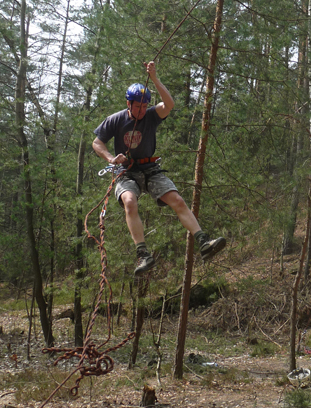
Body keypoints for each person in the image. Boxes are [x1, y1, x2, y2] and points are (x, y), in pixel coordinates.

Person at [92, 61, 226, 276]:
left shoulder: (152, 115)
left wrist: (154, 77)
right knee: (129, 201)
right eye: (138, 106)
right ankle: (143, 254)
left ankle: (203, 241)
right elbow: (97, 143)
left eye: (145, 106)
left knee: (178, 200)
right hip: (126, 171)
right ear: (129, 103)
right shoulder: (115, 120)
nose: (142, 110)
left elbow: (169, 104)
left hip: (150, 167)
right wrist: (110, 157)